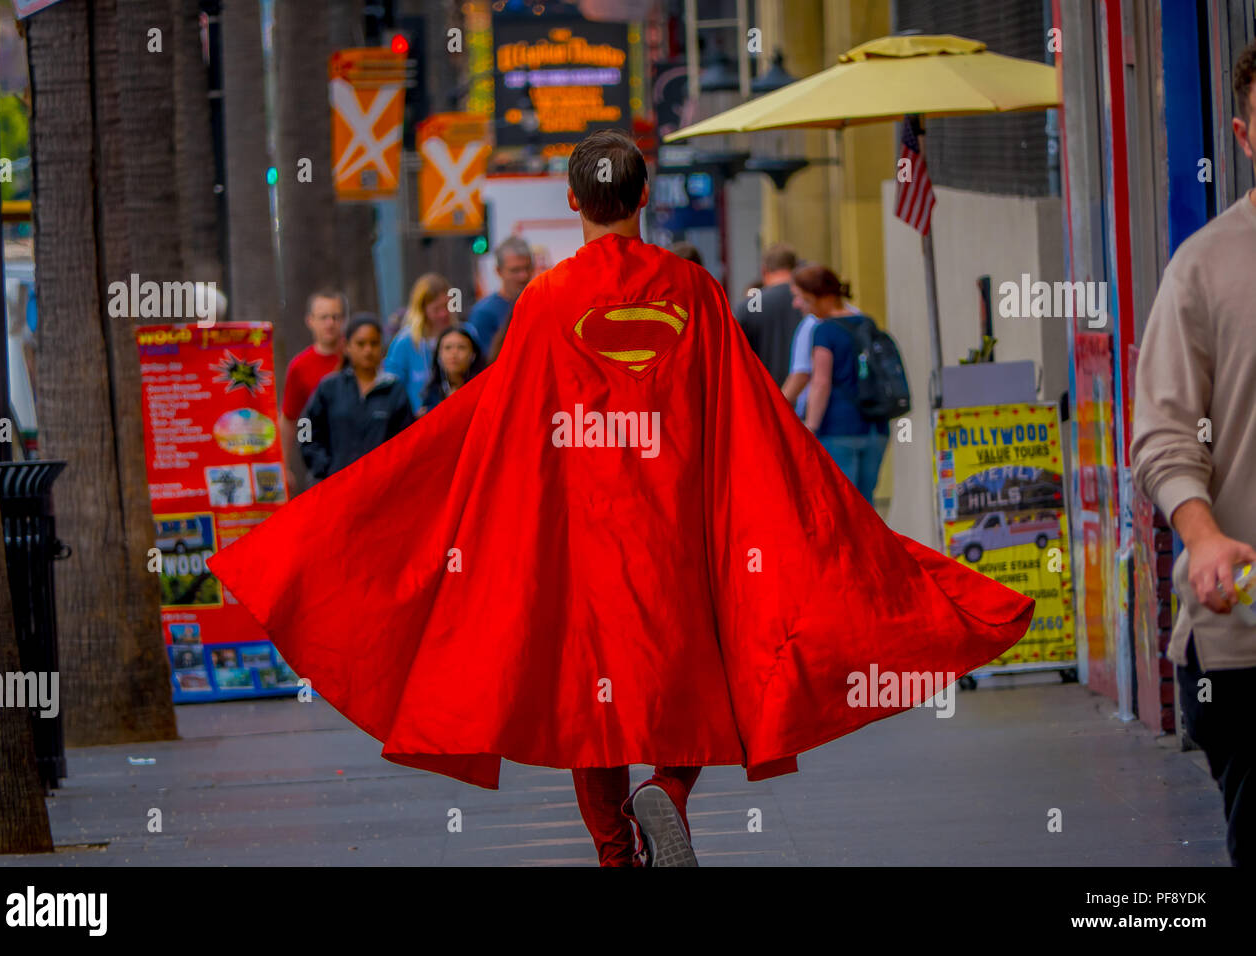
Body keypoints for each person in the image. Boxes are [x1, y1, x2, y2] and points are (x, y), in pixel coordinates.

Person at [209, 129, 1032, 869]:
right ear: (644, 198)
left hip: (582, 537)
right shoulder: (697, 294)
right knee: (696, 677)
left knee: (588, 698)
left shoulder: (543, 303)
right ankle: (668, 793)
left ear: (573, 202)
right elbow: (744, 414)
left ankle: (616, 856)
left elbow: (502, 424)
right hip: (675, 528)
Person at [1130, 37, 1256, 869]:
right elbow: (1164, 435)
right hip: (1244, 633)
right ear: (1245, 139)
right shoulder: (1203, 269)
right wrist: (1203, 534)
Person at [794, 264, 889, 506]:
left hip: (838, 429)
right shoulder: (867, 322)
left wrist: (810, 426)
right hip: (875, 428)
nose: (800, 305)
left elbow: (821, 381)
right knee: (866, 505)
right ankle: (869, 545)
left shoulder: (824, 331)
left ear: (818, 296)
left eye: (803, 298)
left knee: (842, 506)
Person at [300, 315, 413, 482]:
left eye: (374, 343)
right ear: (347, 347)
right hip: (336, 489)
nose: (368, 350)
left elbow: (407, 441)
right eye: (361, 344)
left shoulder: (393, 389)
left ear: (381, 347)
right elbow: (306, 427)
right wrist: (322, 467)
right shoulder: (330, 387)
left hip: (381, 489)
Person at [280, 290, 347, 493]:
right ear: (310, 321)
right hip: (320, 464)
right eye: (324, 317)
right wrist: (283, 466)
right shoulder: (300, 366)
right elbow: (289, 419)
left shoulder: (358, 356)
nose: (330, 323)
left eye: (335, 317)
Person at [781, 266, 862, 422]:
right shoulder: (861, 318)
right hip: (871, 424)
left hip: (832, 422)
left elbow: (808, 377)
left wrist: (775, 409)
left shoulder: (815, 325)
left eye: (799, 296)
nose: (795, 303)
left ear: (813, 296)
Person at [733, 242, 803, 385]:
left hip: (765, 393)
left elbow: (735, 355)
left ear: (764, 270)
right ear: (796, 268)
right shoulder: (806, 300)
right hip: (803, 393)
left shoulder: (754, 303)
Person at [384, 273, 453, 416]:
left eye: (447, 306)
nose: (443, 314)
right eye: (436, 309)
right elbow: (391, 389)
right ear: (422, 310)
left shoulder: (461, 335)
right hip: (417, 423)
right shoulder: (404, 343)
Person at [468, 236, 533, 356]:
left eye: (527, 268)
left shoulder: (541, 304)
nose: (523, 276)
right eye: (515, 270)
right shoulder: (484, 312)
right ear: (499, 271)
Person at [420, 323, 486, 414]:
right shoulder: (431, 393)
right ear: (439, 355)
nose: (454, 353)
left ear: (473, 355)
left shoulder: (485, 391)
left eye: (461, 347)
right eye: (448, 348)